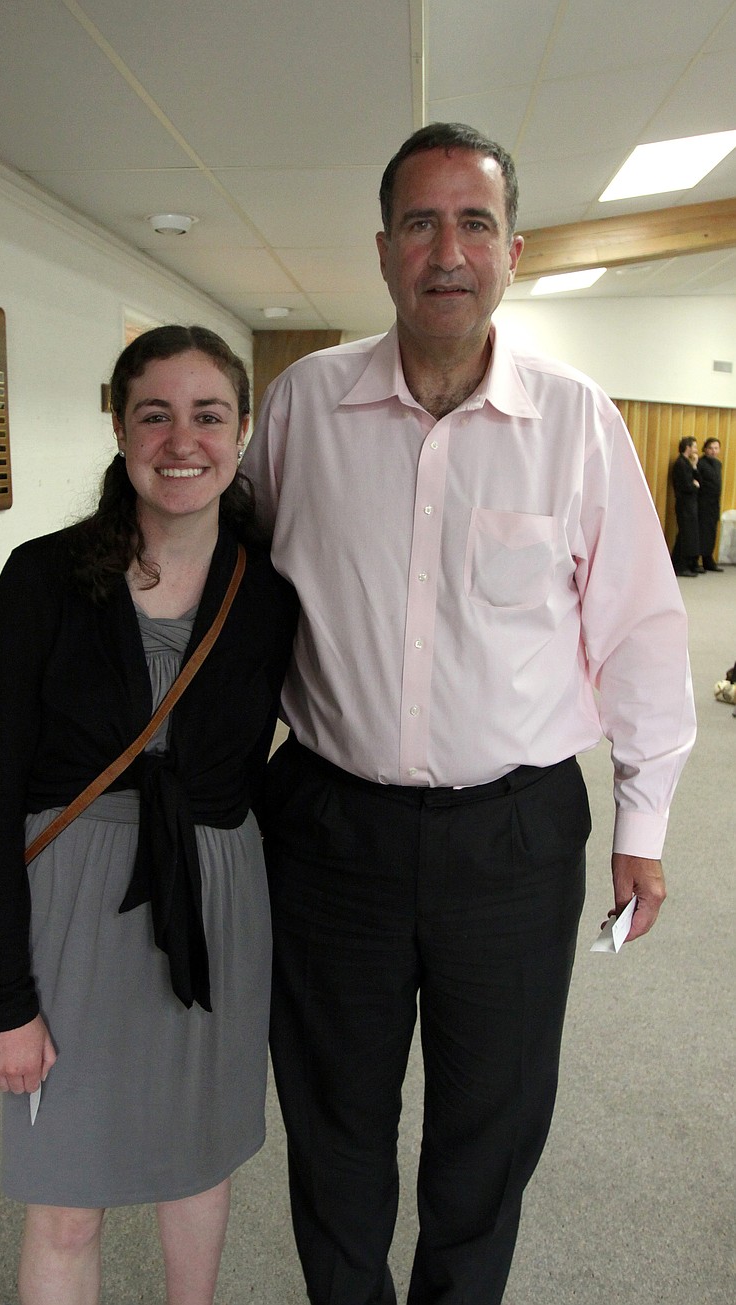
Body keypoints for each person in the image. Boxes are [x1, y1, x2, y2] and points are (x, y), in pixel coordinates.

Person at [242, 122, 696, 1305]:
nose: (447, 249)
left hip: (513, 835)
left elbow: (642, 629)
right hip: (330, 830)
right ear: (383, 248)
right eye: (420, 222)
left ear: (513, 251)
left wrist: (642, 819)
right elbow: (220, 589)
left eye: (474, 222)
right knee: (333, 1117)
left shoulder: (577, 421)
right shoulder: (300, 409)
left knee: (488, 1129)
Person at [0, 325, 297, 1305]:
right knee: (66, 1197)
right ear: (119, 426)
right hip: (69, 907)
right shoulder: (42, 577)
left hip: (217, 903)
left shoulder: (267, 591)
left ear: (240, 434)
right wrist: (5, 999)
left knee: (198, 1166)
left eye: (207, 416)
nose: (180, 440)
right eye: (154, 414)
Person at [670, 435, 701, 576]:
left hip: (690, 504)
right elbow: (687, 486)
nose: (696, 449)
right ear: (687, 447)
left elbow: (698, 481)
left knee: (687, 534)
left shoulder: (687, 463)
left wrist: (694, 466)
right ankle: (680, 566)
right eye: (694, 446)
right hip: (684, 504)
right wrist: (695, 486)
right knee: (684, 535)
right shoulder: (680, 463)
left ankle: (682, 564)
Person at [696, 436, 724, 571]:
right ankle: (696, 559)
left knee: (712, 532)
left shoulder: (718, 464)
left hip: (714, 503)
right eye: (711, 448)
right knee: (702, 531)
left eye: (716, 448)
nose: (713, 451)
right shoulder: (700, 464)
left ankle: (708, 559)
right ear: (705, 449)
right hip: (703, 503)